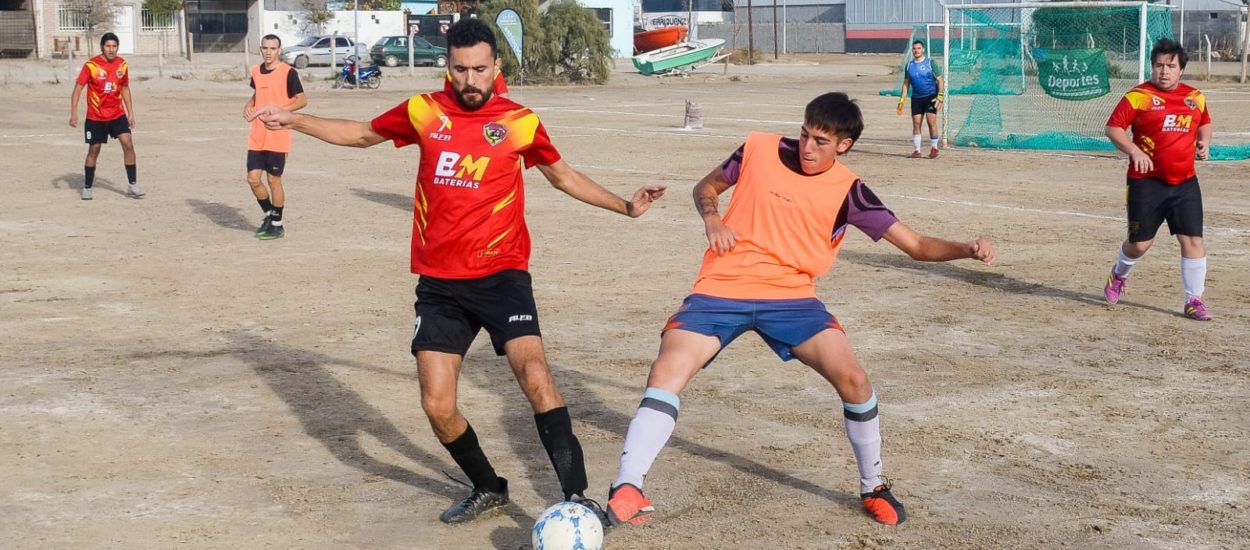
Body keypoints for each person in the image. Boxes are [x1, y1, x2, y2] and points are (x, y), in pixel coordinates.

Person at [251, 18, 666, 524]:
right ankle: (488, 486)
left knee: (535, 377)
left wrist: (625, 205)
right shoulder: (423, 111)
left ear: (497, 66)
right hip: (440, 284)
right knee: (436, 405)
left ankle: (577, 498)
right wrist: (293, 121)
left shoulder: (519, 121)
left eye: (480, 69)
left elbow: (562, 176)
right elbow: (360, 135)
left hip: (502, 275)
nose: (470, 80)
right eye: (460, 69)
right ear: (447, 65)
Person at [605, 92, 996, 528]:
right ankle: (627, 484)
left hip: (792, 298)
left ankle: (873, 485)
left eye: (821, 142)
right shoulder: (759, 148)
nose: (807, 148)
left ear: (844, 145)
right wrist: (713, 219)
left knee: (855, 379)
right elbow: (706, 186)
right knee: (668, 369)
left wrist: (966, 249)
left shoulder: (850, 191)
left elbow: (918, 246)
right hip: (722, 286)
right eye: (805, 134)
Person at [1102, 39, 1213, 320]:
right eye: (1159, 65)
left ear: (1181, 69)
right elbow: (1113, 128)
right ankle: (1118, 274)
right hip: (1146, 183)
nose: (1164, 71)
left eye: (1170, 66)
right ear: (1152, 67)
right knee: (1139, 244)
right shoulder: (1138, 96)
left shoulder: (1195, 97)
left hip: (1185, 183)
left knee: (1193, 241)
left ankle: (1194, 300)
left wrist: (1204, 142)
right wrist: (1133, 150)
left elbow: (1204, 122)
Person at [243, 34, 307, 240]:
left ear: (280, 50)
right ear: (260, 49)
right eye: (265, 48)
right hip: (257, 135)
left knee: (273, 180)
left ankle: (277, 225)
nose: (268, 52)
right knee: (253, 179)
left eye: (273, 48)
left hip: (278, 134)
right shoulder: (255, 71)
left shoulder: (289, 73)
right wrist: (248, 105)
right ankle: (270, 214)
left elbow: (302, 100)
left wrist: (281, 111)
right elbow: (256, 95)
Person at [69, 33, 143, 200]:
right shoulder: (91, 66)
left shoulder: (122, 65)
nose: (111, 49)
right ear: (102, 47)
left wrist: (130, 112)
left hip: (117, 114)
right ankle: (87, 187)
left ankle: (133, 185)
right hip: (96, 116)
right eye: (108, 46)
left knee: (128, 143)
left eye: (114, 46)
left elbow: (124, 88)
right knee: (94, 149)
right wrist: (74, 113)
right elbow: (77, 90)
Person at [896, 40, 943, 159]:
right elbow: (906, 83)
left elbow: (940, 80)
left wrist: (940, 97)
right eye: (914, 48)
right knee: (916, 123)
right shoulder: (909, 65)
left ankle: (934, 148)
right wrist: (902, 101)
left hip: (931, 97)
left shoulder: (930, 63)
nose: (916, 50)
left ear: (923, 50)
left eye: (919, 48)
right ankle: (917, 150)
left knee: (931, 121)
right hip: (916, 98)